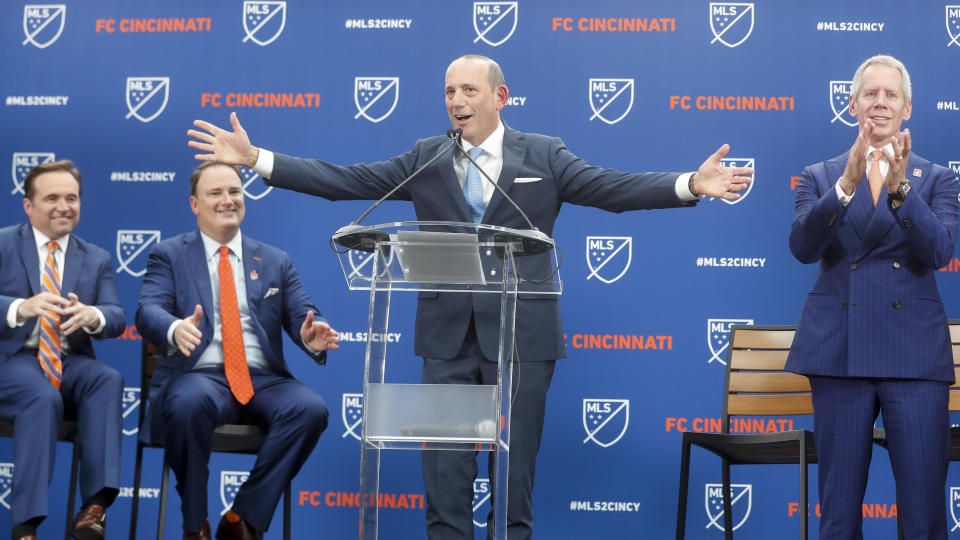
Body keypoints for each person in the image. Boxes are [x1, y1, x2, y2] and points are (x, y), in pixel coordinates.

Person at [187, 54, 752, 539]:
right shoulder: (427, 157)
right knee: (447, 480)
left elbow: (613, 188)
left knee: (513, 481)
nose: (456, 100)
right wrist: (258, 159)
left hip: (522, 339)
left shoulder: (545, 156)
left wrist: (689, 184)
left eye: (468, 90)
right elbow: (348, 181)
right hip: (447, 340)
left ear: (499, 97)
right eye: (449, 91)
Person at [787, 54, 958, 539]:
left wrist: (902, 189)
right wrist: (846, 185)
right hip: (840, 351)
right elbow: (802, 248)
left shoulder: (938, 179)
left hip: (915, 357)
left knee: (924, 510)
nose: (880, 103)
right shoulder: (819, 176)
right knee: (838, 512)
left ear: (908, 109)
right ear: (852, 104)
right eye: (870, 94)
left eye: (891, 96)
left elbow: (940, 250)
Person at [135, 162, 340, 540]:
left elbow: (302, 313)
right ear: (195, 204)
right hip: (201, 376)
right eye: (216, 193)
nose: (228, 200)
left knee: (310, 409)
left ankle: (242, 520)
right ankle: (195, 525)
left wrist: (309, 334)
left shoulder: (276, 260)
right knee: (186, 404)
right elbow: (148, 311)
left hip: (262, 381)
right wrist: (174, 326)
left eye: (235, 191)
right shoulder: (169, 255)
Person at [0, 160, 125, 540]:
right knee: (41, 398)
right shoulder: (3, 243)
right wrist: (20, 307)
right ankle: (26, 526)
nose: (63, 206)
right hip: (13, 358)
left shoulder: (96, 257)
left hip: (70, 361)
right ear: (28, 205)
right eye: (52, 197)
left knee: (108, 379)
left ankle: (95, 507)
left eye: (71, 198)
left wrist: (93, 315)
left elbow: (116, 316)